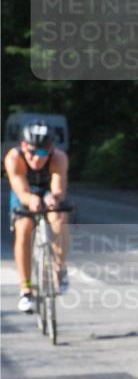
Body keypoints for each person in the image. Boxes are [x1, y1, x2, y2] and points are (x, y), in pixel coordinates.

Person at [4, 121, 70, 314]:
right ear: (24, 146)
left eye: (42, 153)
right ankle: (26, 289)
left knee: (59, 219)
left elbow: (58, 188)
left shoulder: (59, 158)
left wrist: (54, 199)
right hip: (24, 191)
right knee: (24, 227)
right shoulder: (13, 158)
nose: (36, 158)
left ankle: (59, 269)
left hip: (48, 190)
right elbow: (21, 190)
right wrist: (30, 200)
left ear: (50, 150)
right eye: (32, 152)